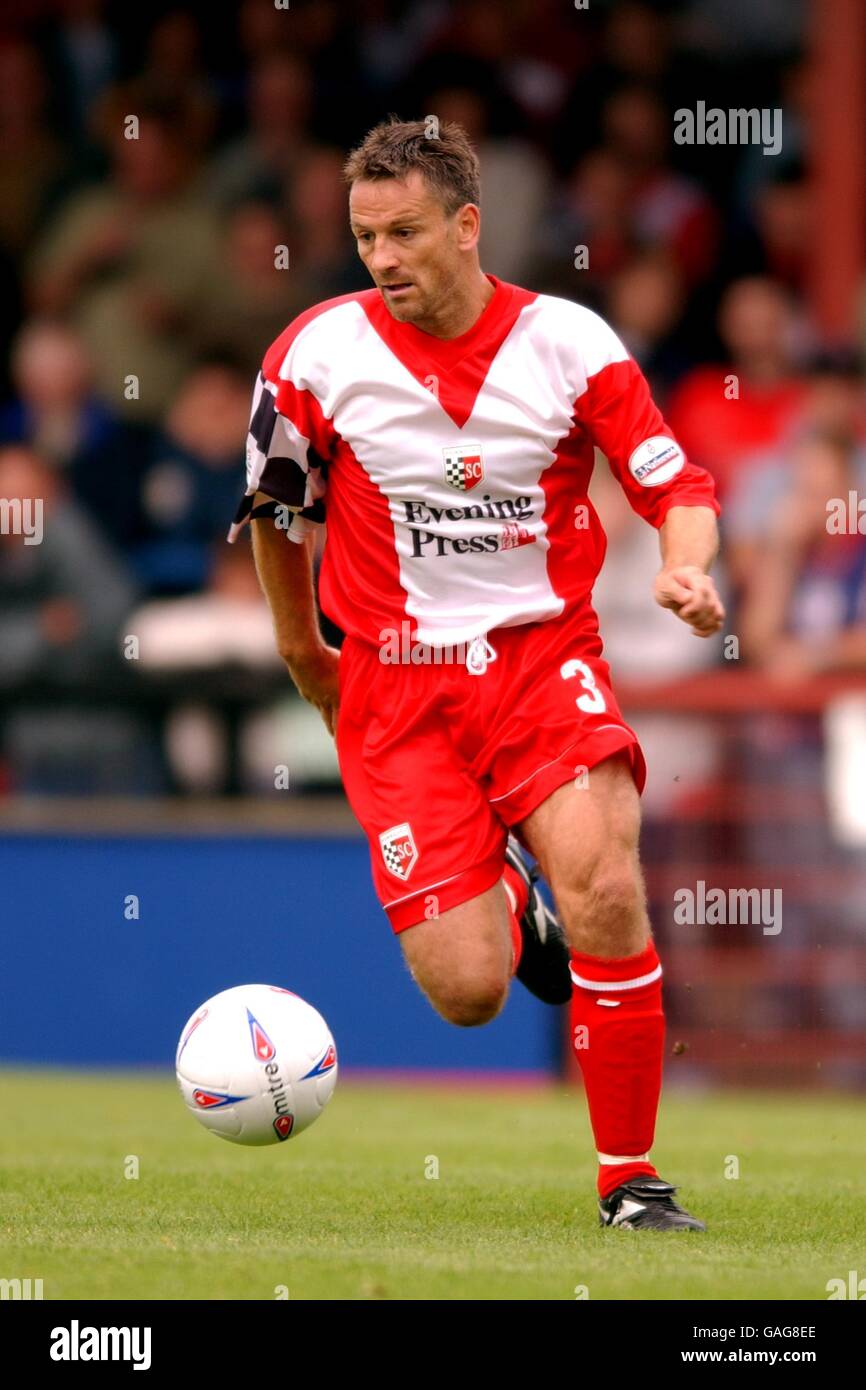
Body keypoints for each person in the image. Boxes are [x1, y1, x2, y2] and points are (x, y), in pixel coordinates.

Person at [228, 118, 724, 1232]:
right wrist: (304, 655)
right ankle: (505, 898)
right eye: (364, 236)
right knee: (468, 991)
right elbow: (274, 513)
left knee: (601, 878)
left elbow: (671, 480)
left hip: (539, 659)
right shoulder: (314, 354)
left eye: (404, 231)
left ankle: (628, 1182)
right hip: (394, 687)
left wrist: (687, 572)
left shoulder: (567, 343)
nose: (383, 257)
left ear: (465, 224)